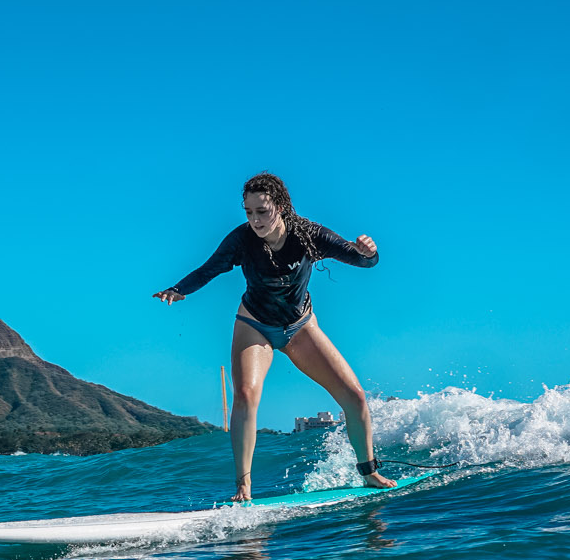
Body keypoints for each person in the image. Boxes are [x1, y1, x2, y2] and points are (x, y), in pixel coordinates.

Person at [155, 172, 393, 501]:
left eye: (262, 211)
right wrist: (179, 290)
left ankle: (370, 473)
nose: (255, 219)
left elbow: (362, 260)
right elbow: (209, 268)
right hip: (255, 325)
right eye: (249, 212)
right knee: (246, 396)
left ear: (280, 207)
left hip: (300, 327)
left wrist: (368, 252)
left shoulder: (308, 234)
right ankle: (243, 487)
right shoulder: (241, 240)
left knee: (355, 397)